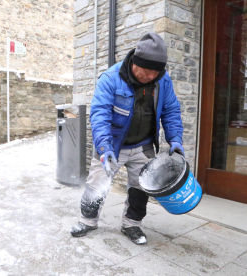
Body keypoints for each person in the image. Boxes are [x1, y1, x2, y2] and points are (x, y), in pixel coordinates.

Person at [70, 32, 185, 245]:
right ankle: (87, 220)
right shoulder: (111, 78)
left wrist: (175, 139)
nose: (152, 77)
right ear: (135, 63)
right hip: (112, 145)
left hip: (143, 145)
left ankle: (132, 224)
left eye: (156, 72)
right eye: (148, 71)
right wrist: (104, 148)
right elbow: (100, 114)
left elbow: (171, 110)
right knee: (96, 183)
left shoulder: (162, 80)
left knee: (141, 188)